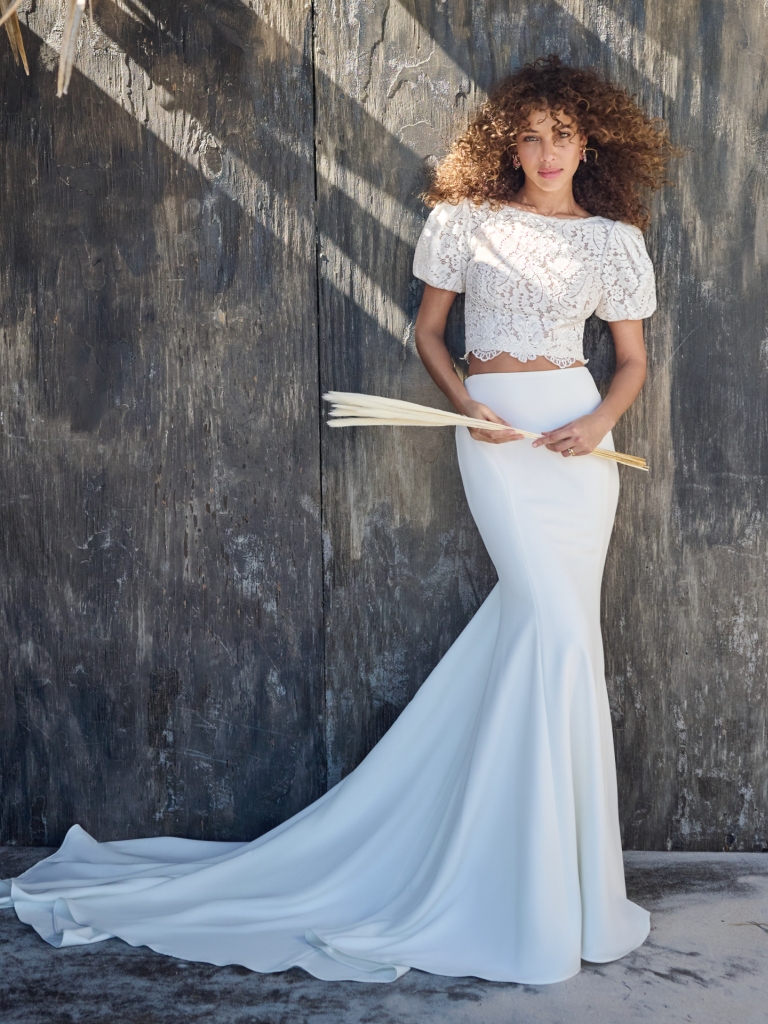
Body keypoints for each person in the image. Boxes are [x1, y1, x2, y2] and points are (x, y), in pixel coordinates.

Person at [0, 55, 676, 985]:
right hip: (493, 439)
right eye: (532, 132)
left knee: (559, 640)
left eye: (564, 134)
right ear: (508, 141)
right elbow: (431, 333)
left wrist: (596, 422)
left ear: (587, 140)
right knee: (550, 633)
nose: (548, 150)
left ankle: (558, 887)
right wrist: (472, 407)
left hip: (577, 451)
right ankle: (528, 884)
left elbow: (630, 361)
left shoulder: (611, 240)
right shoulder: (466, 223)